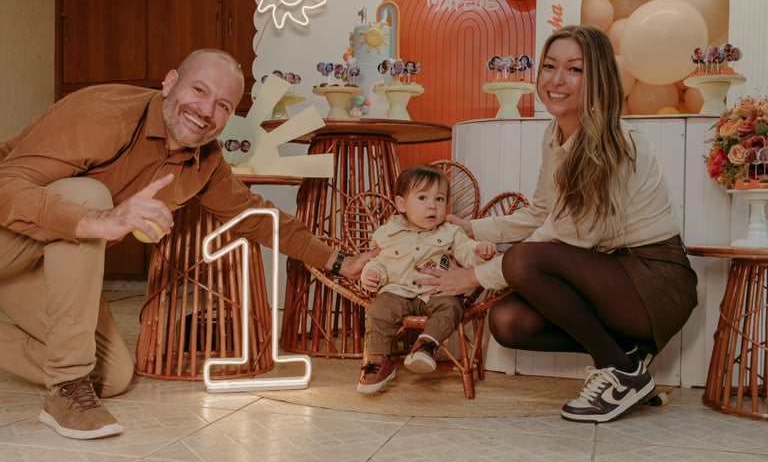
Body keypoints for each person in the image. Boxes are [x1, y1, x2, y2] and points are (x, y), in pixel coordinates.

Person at [0, 49, 374, 440]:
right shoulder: (103, 114)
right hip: (10, 240)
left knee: (112, 374)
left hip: (45, 265)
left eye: (223, 105)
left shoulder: (204, 163)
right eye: (199, 90)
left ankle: (73, 375)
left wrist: (340, 261)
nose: (206, 111)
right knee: (88, 195)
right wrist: (100, 220)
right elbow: (6, 184)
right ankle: (65, 389)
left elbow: (257, 216)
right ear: (170, 83)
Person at [415, 25, 698, 423]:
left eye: (574, 69)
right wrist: (471, 229)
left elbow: (566, 235)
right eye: (549, 66)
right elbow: (540, 213)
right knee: (508, 322)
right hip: (611, 274)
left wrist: (474, 276)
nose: (556, 80)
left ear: (597, 79)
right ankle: (626, 360)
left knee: (523, 259)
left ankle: (620, 374)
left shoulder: (614, 144)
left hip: (655, 282)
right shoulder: (556, 135)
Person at [357, 164, 496, 394]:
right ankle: (378, 360)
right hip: (397, 291)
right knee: (378, 309)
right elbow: (378, 261)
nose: (432, 205)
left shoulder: (450, 232)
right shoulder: (387, 233)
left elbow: (467, 252)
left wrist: (480, 252)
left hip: (436, 292)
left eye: (439, 199)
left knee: (452, 306)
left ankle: (426, 345)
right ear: (402, 204)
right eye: (423, 198)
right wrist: (371, 274)